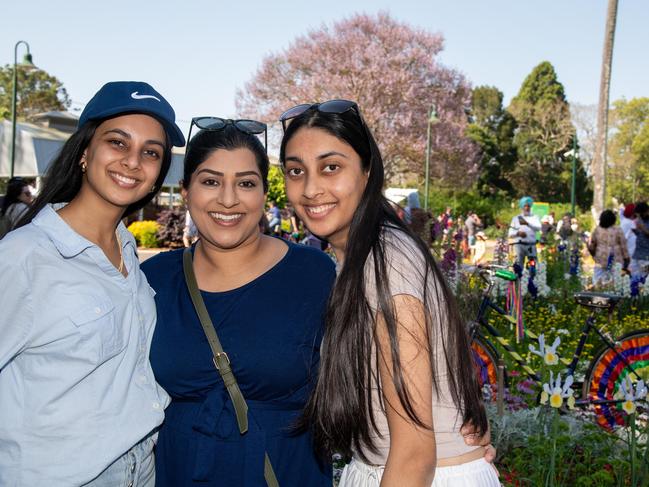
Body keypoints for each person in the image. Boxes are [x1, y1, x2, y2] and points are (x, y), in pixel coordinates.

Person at [279, 99, 497, 486]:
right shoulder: (362, 253)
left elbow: (414, 453)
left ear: (367, 171)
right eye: (296, 171)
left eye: (331, 167)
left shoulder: (386, 262)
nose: (311, 188)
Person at [0, 81, 185, 485]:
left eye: (150, 152)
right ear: (85, 152)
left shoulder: (127, 251)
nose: (133, 161)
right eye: (118, 143)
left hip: (141, 468)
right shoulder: (26, 254)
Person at [141, 120, 336, 486]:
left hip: (284, 471)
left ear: (264, 193)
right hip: (177, 471)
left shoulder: (312, 274)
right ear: (186, 192)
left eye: (245, 183)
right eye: (210, 181)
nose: (228, 199)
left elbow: (369, 371)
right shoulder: (153, 279)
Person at [588, 209, 630, 285]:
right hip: (616, 260)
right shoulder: (618, 230)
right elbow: (623, 246)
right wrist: (626, 259)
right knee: (615, 283)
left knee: (598, 282)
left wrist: (594, 255)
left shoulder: (597, 230)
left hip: (600, 260)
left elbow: (592, 245)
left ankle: (598, 295)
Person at [508, 196, 541, 269]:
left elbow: (538, 228)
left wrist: (528, 224)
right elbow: (510, 233)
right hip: (519, 245)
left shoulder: (534, 217)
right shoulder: (516, 218)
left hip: (531, 245)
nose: (526, 208)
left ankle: (532, 277)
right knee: (518, 265)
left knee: (533, 264)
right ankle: (518, 279)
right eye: (525, 206)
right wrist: (518, 233)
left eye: (528, 206)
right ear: (522, 207)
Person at [631, 201, 649, 279]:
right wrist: (636, 231)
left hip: (646, 255)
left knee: (644, 278)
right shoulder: (641, 220)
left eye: (640, 214)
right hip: (637, 254)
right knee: (635, 277)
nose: (639, 216)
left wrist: (642, 228)